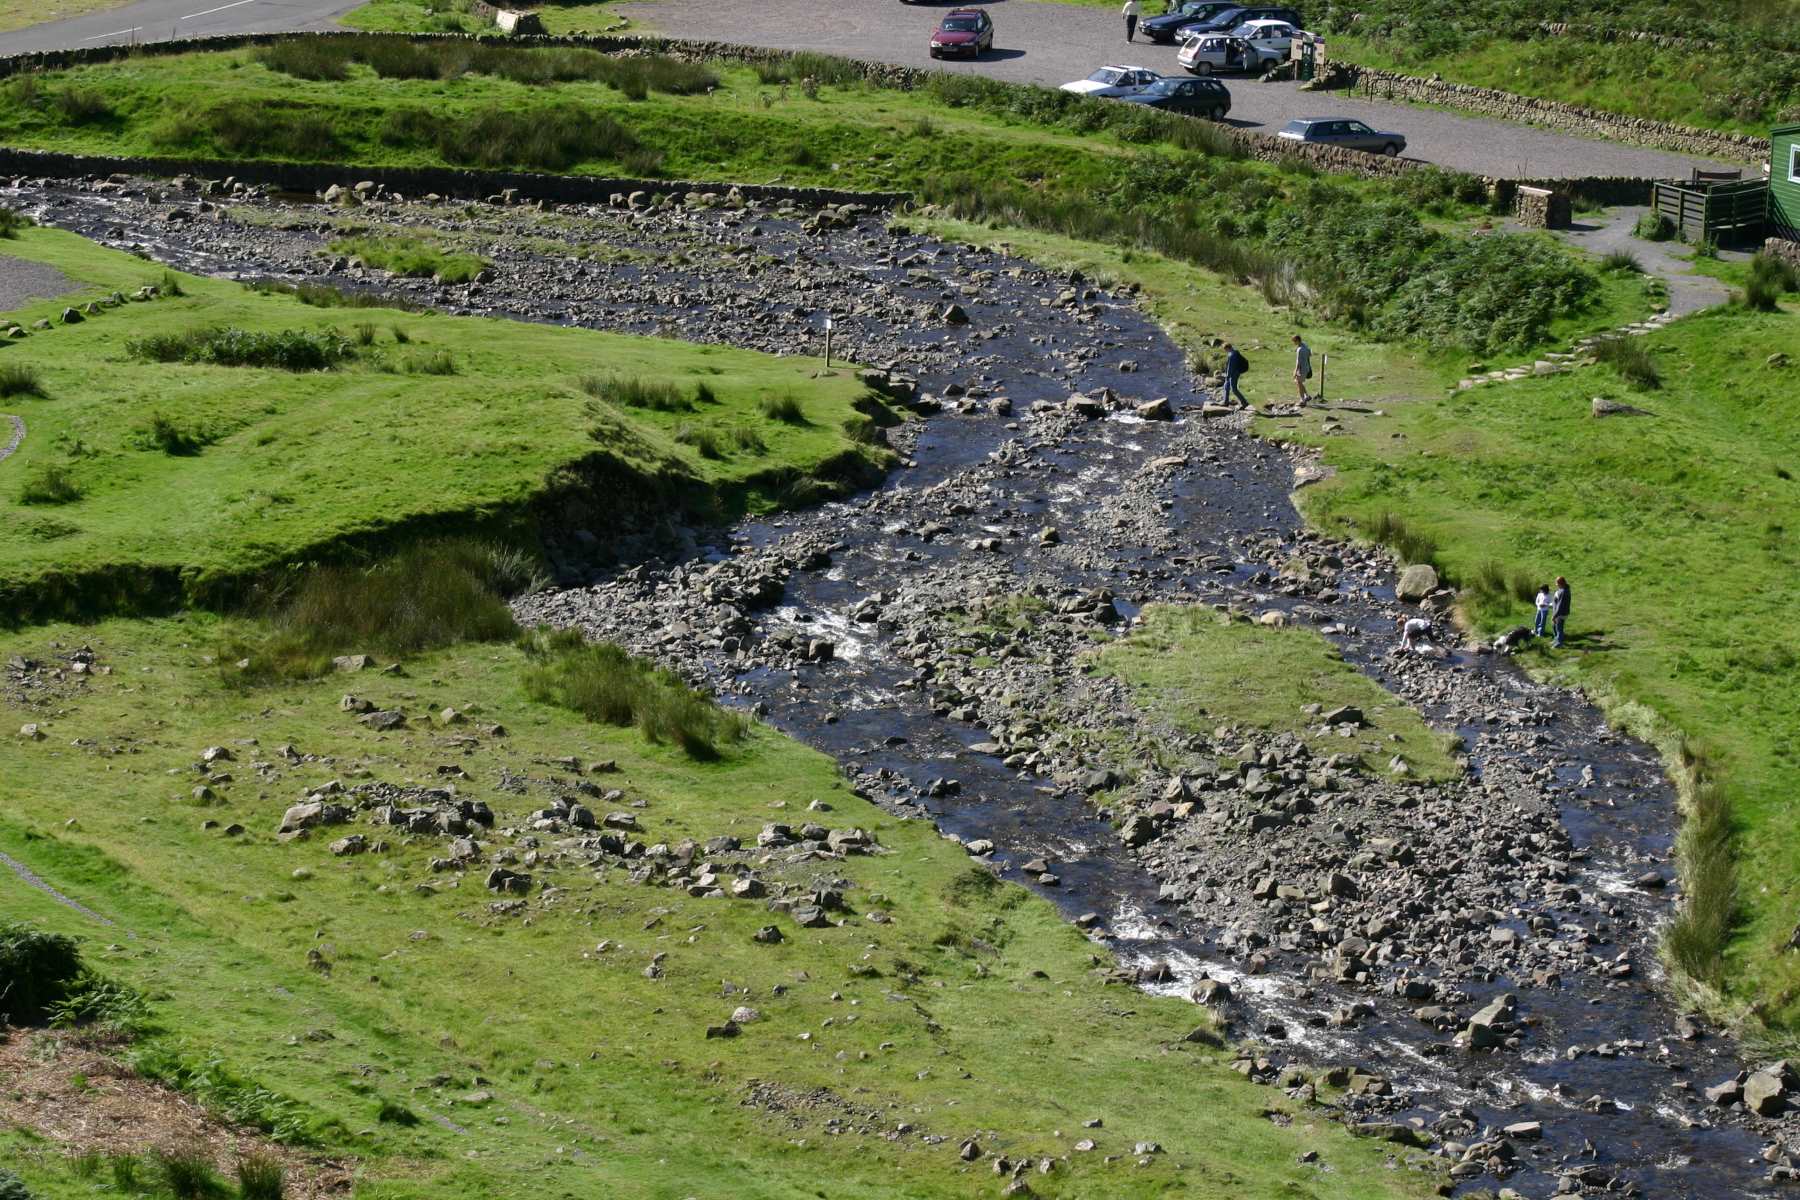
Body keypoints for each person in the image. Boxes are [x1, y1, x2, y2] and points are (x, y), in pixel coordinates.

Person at [1221, 342, 1249, 406]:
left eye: (1224, 349)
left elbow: (1231, 367)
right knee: (1226, 386)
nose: (1224, 350)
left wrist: (1227, 376)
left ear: (1227, 348)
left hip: (1234, 374)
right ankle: (1225, 402)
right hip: (1233, 373)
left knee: (1234, 389)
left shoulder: (1232, 355)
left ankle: (1244, 402)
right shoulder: (1233, 352)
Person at [1292, 334, 1313, 402]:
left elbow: (1298, 361)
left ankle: (1302, 399)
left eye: (1294, 341)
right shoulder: (1305, 345)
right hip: (1307, 367)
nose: (1294, 343)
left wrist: (1295, 371)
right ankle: (1307, 396)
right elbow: (1310, 354)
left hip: (1301, 369)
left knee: (1298, 383)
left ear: (1297, 340)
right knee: (1299, 382)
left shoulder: (1299, 350)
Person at [1551, 576, 1571, 648]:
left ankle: (1560, 643)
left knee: (1559, 628)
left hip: (1560, 613)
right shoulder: (1562, 589)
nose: (1556, 585)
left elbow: (1560, 605)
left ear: (1561, 583)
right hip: (1558, 612)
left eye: (1557, 583)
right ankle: (1556, 639)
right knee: (1555, 626)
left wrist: (1555, 615)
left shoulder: (1563, 592)